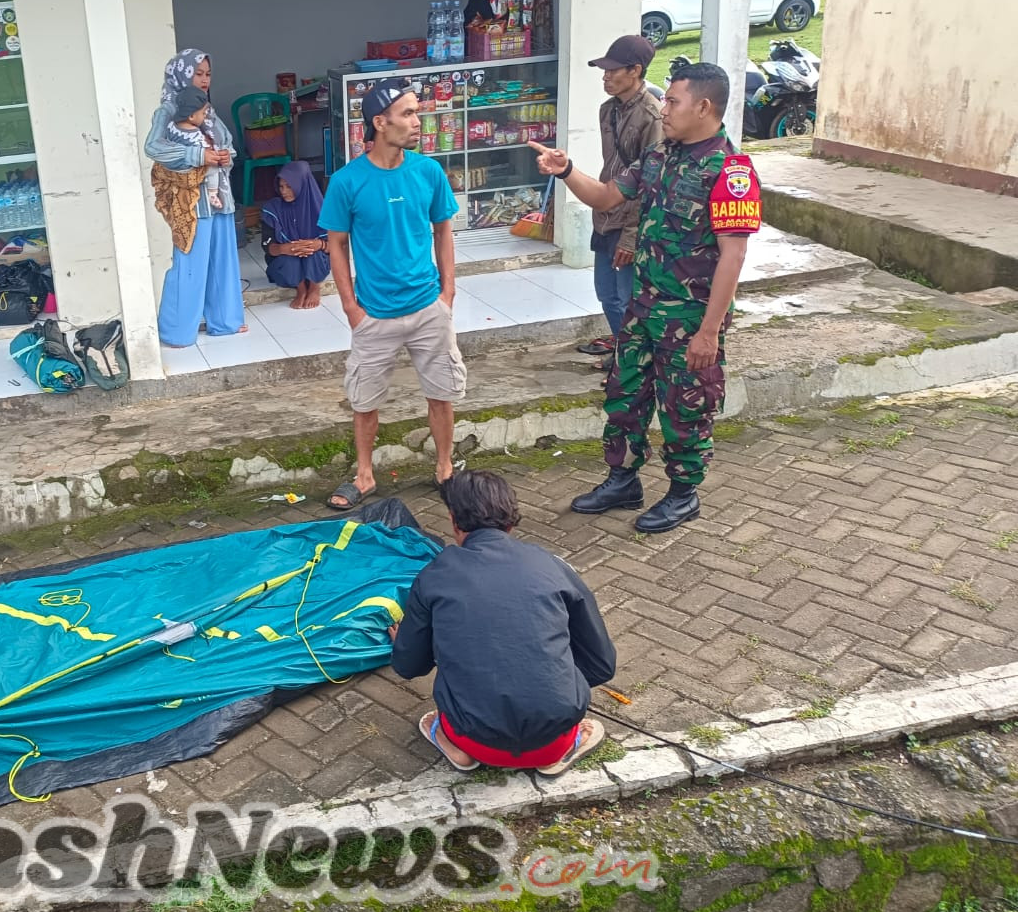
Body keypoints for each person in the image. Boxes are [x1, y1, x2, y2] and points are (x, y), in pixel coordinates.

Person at [531, 62, 762, 533]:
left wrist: (709, 333)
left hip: (690, 318)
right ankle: (623, 479)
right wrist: (566, 170)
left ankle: (683, 495)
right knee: (625, 396)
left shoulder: (731, 172)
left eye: (674, 101)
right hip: (644, 308)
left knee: (685, 408)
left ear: (703, 106)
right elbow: (606, 197)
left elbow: (732, 258)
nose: (665, 109)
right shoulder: (662, 155)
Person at [390, 471, 615, 775]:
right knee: (556, 724)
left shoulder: (434, 575)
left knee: (443, 714)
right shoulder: (552, 565)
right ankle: (556, 753)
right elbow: (601, 665)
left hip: (473, 738)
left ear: (454, 520)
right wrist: (546, 681)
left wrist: (404, 640)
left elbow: (409, 666)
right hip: (554, 737)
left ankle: (456, 748)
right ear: (511, 520)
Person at [320, 77, 464, 509]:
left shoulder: (427, 171)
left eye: (416, 112)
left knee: (441, 393)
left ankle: (444, 468)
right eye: (408, 113)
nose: (417, 121)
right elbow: (337, 245)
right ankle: (364, 476)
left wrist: (448, 293)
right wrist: (350, 306)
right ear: (379, 122)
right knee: (364, 401)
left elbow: (444, 231)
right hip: (375, 313)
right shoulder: (347, 182)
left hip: (428, 307)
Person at [145, 49, 246, 348]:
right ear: (182, 73)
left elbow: (228, 145)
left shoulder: (208, 111)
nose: (204, 80)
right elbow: (154, 148)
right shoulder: (169, 109)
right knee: (190, 264)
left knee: (222, 261)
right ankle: (176, 331)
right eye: (197, 73)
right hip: (191, 201)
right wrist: (198, 154)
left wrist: (226, 155)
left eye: (208, 74)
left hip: (221, 198)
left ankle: (225, 322)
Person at [581, 35, 663, 370]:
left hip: (632, 221)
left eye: (612, 70)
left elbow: (649, 182)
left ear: (635, 70)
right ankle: (625, 354)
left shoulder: (652, 117)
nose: (605, 76)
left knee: (629, 297)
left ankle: (635, 364)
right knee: (606, 293)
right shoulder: (608, 111)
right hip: (606, 214)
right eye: (603, 70)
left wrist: (631, 235)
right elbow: (612, 167)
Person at [259, 159, 330, 309]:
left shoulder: (323, 208)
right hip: (286, 263)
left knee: (314, 252)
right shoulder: (273, 208)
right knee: (290, 260)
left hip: (315, 259)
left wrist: (320, 244)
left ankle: (314, 287)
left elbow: (338, 245)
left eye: (289, 187)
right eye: (281, 186)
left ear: (303, 185)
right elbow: (267, 245)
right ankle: (301, 290)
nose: (284, 191)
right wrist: (284, 249)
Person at [165, 85, 228, 211]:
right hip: (197, 172)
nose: (205, 116)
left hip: (178, 174)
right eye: (203, 113)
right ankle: (212, 193)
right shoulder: (195, 134)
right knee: (215, 168)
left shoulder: (172, 127)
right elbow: (206, 153)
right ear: (191, 116)